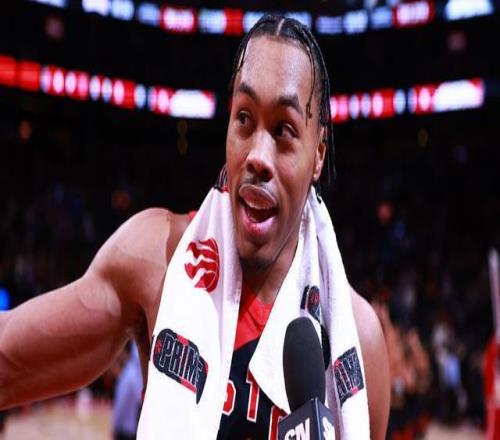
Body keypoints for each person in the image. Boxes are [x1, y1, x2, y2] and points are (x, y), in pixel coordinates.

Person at [0, 14, 389, 439]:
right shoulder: (158, 259)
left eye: (283, 130)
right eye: (244, 119)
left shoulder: (359, 343)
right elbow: (8, 363)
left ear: (318, 154)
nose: (257, 155)